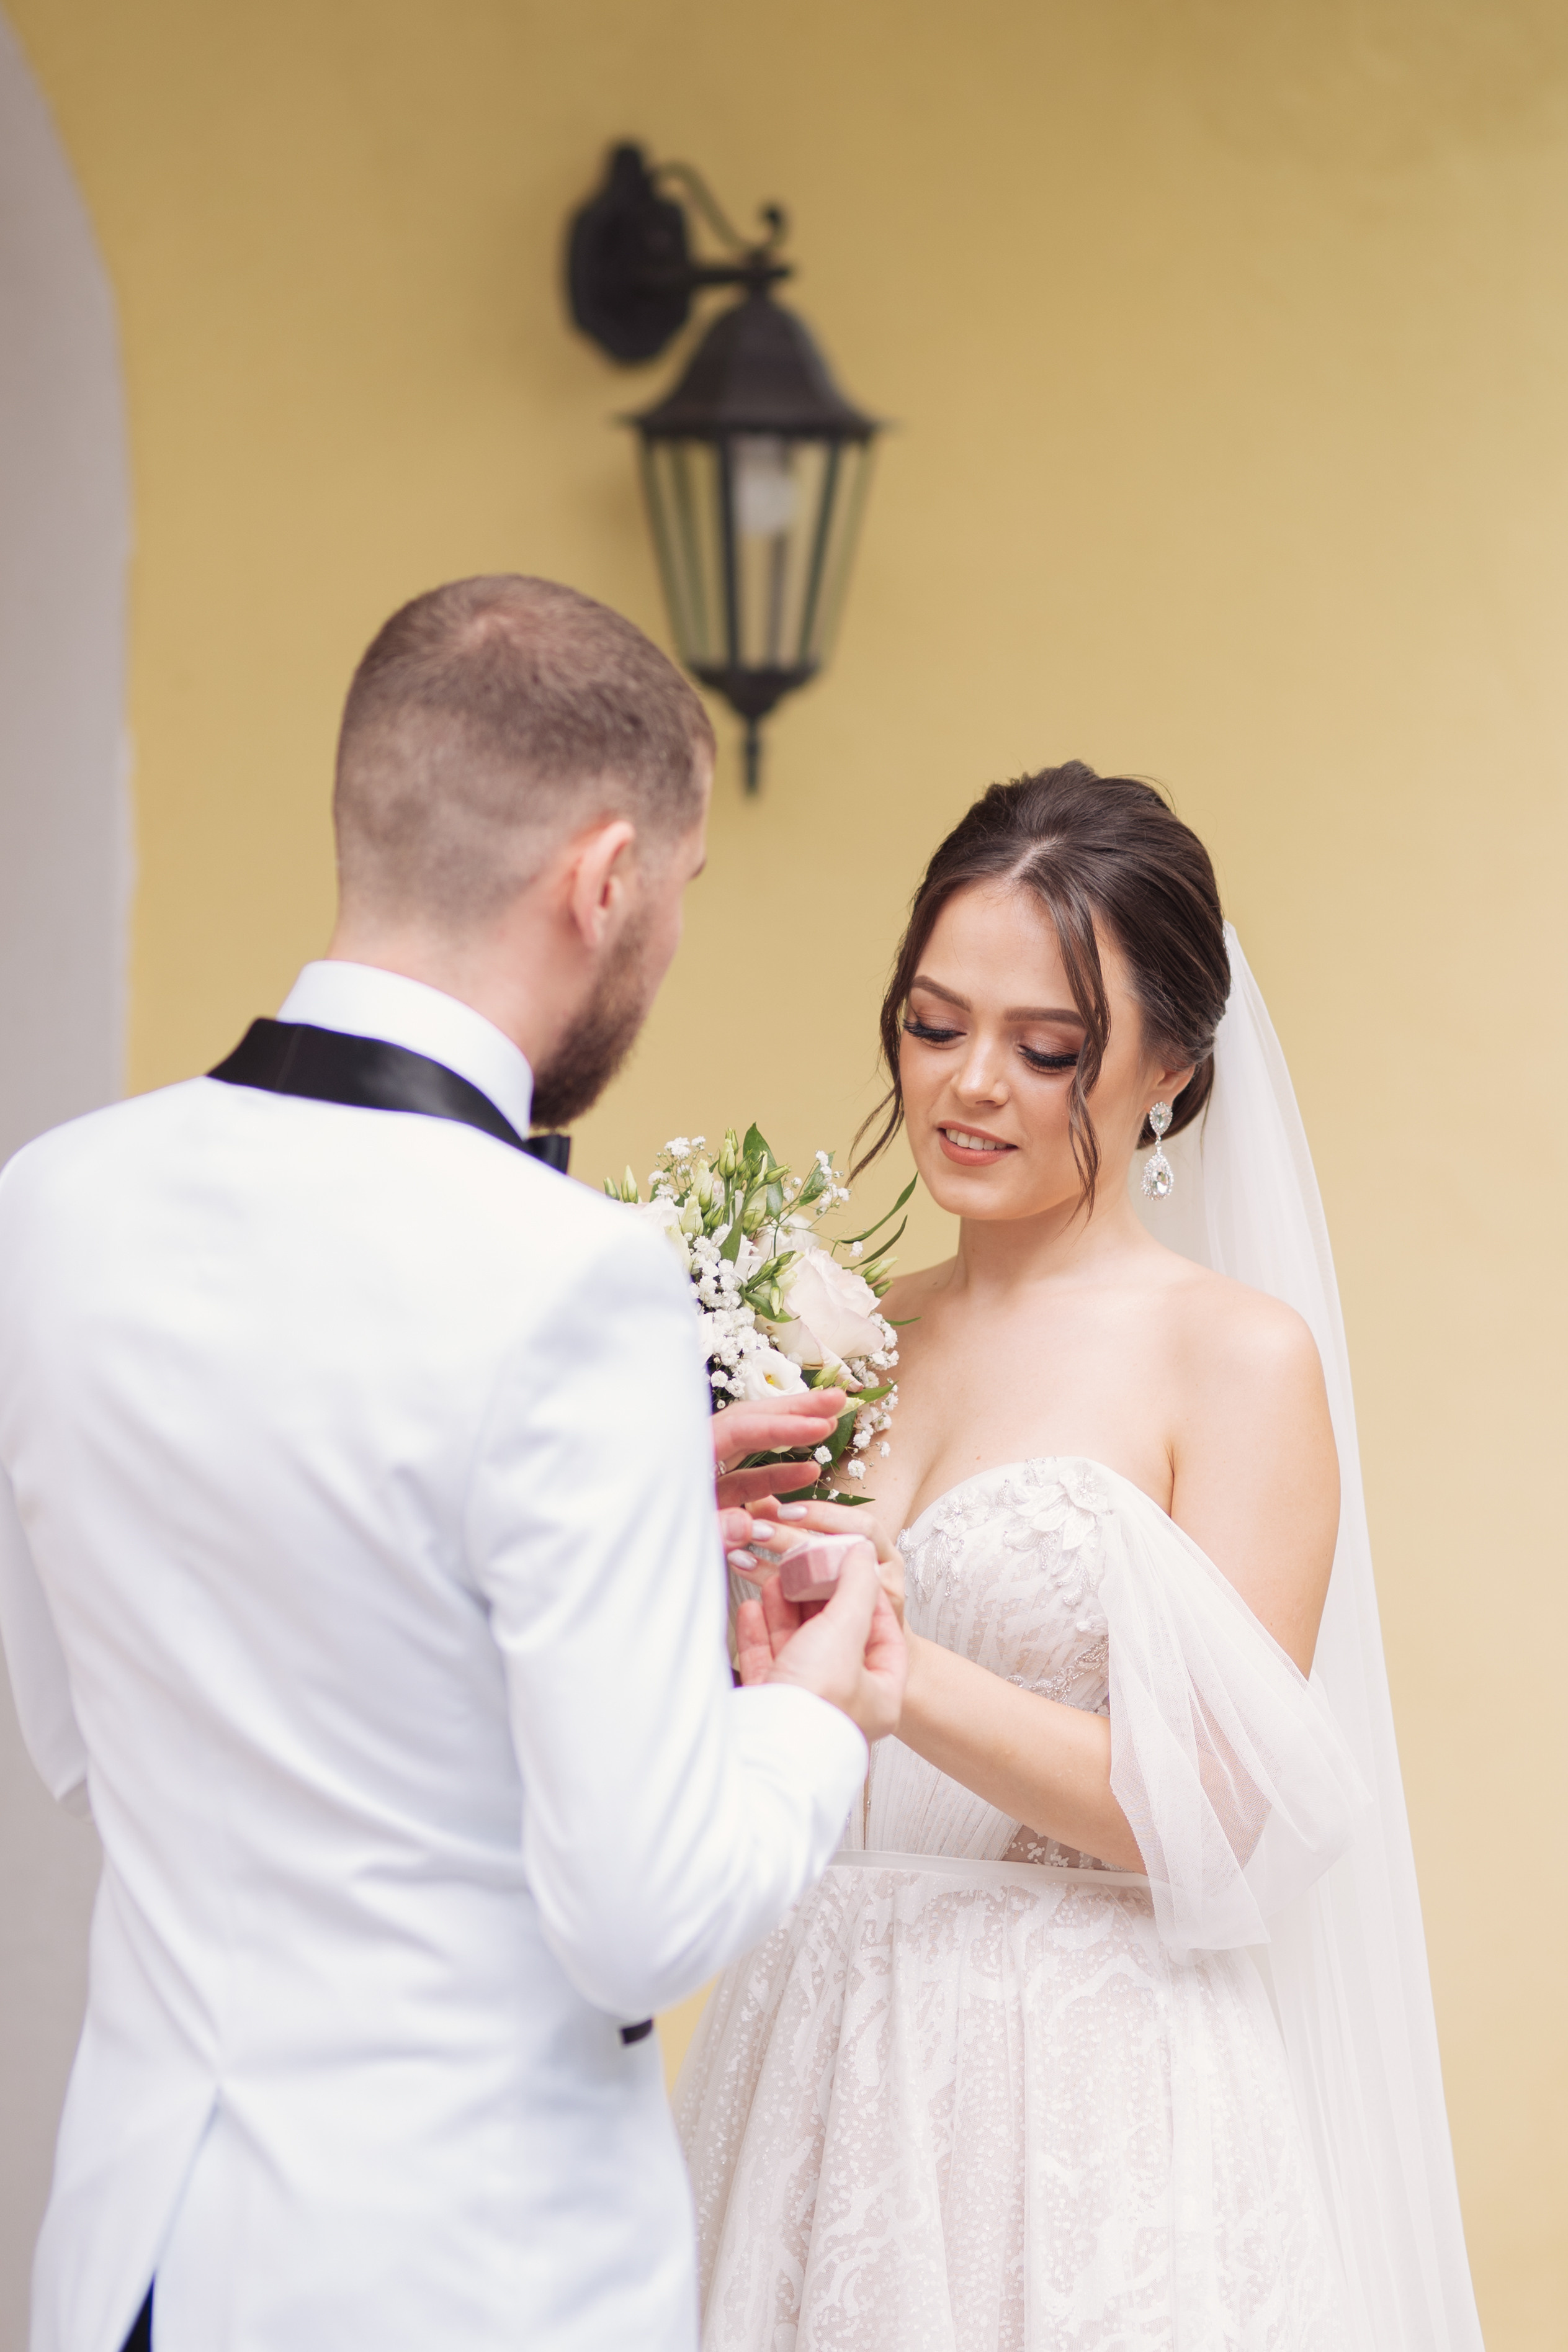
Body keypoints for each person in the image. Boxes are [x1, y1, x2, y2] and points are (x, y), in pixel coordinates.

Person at [0, 575, 905, 2352]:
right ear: (607, 876)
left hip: (132, 2259)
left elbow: (88, 1715)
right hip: (456, 2269)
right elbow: (641, 1913)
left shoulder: (49, 1202)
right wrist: (811, 1716)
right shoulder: (574, 1279)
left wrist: (603, 1524)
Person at [678, 765, 1484, 2352]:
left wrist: (905, 1675)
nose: (970, 1085)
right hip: (817, 2045)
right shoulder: (833, 1332)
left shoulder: (1233, 1358)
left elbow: (1224, 1816)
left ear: (1169, 1069)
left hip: (1083, 2092)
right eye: (931, 1023)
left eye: (1047, 1048)